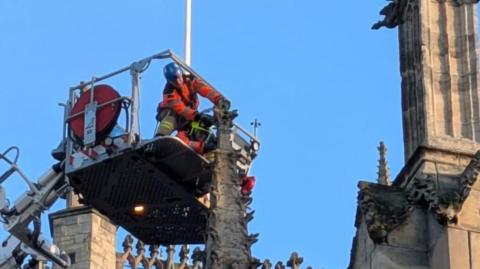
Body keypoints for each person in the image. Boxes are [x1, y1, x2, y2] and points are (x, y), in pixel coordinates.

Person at [155, 62, 226, 154]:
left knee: (191, 132)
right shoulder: (169, 93)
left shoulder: (190, 80)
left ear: (181, 73)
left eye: (179, 77)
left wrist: (218, 100)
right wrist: (198, 116)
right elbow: (181, 109)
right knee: (170, 119)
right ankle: (159, 139)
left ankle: (203, 148)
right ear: (170, 81)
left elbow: (204, 89)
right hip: (175, 114)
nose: (178, 81)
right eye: (174, 79)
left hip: (189, 116)